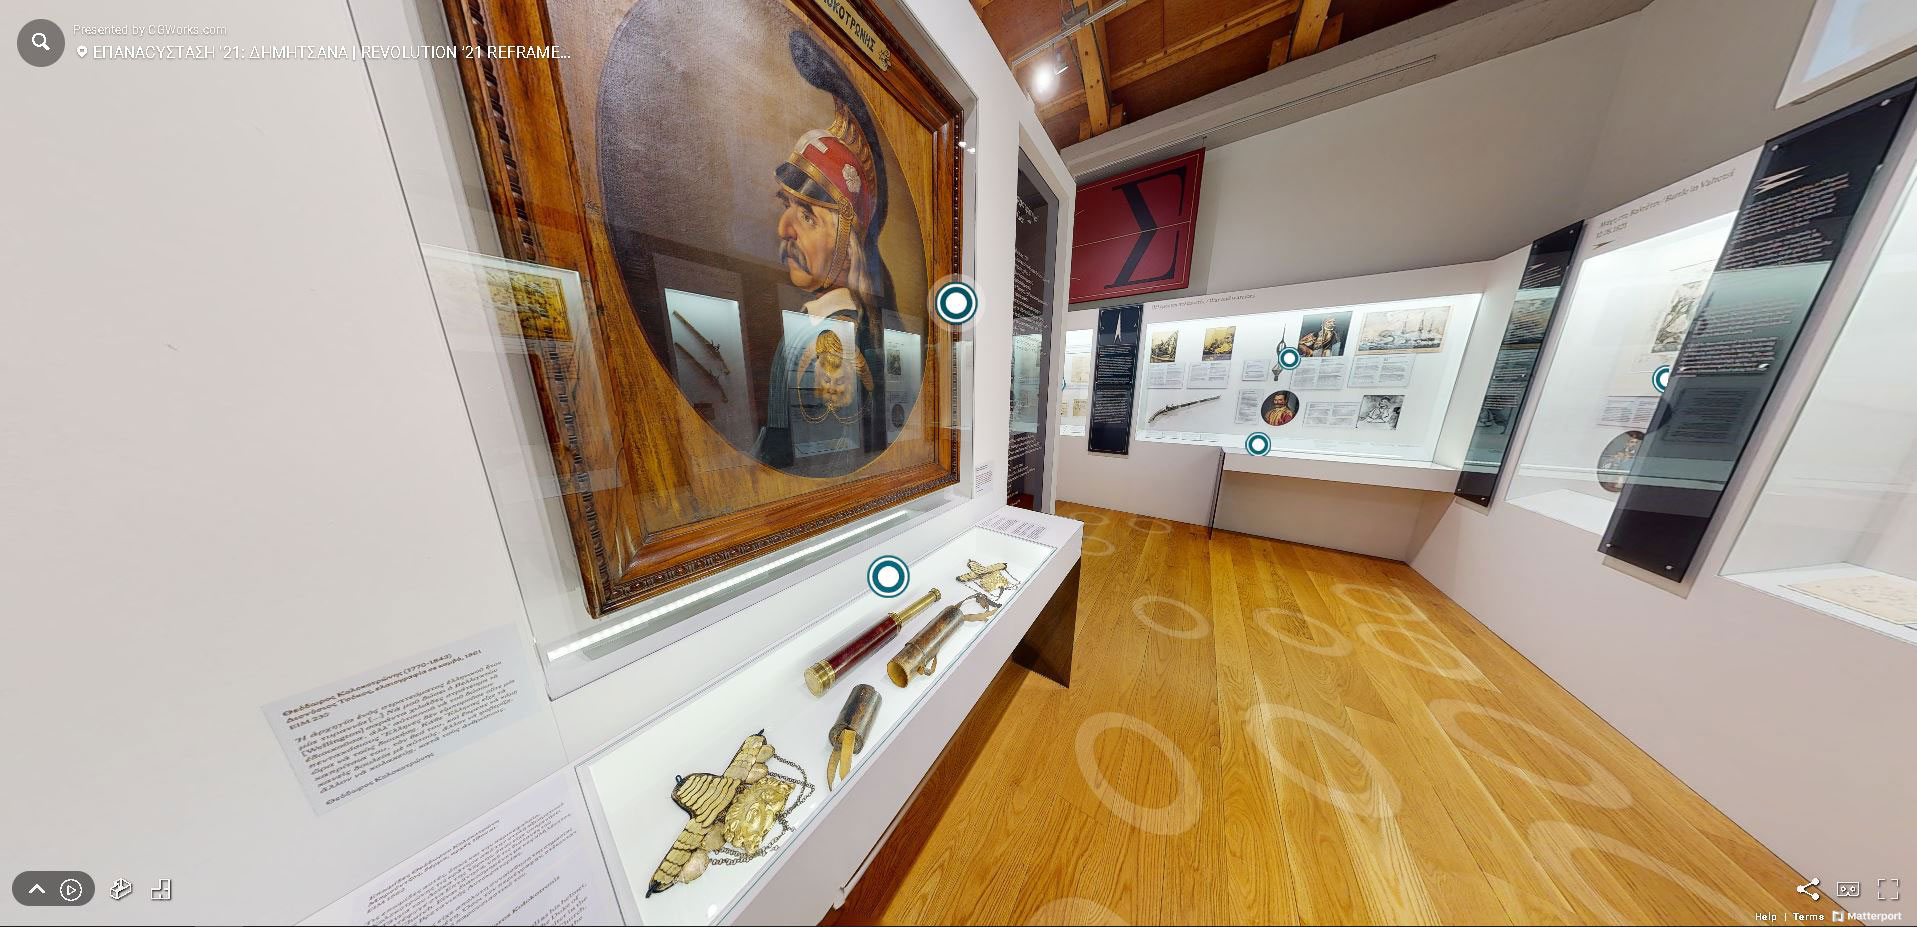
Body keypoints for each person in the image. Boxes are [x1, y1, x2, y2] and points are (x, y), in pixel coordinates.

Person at [755, 30, 896, 474]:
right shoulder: (819, 329)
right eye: (786, 206)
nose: (784, 228)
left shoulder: (822, 340)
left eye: (807, 215)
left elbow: (804, 460)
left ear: (847, 243)